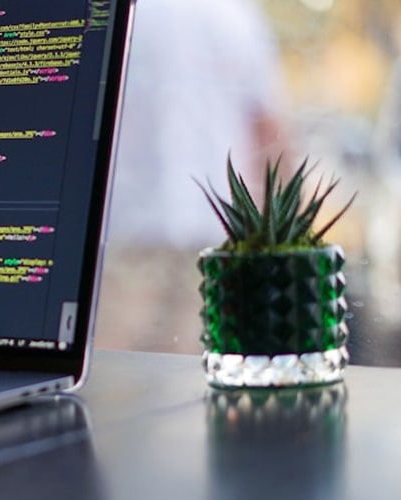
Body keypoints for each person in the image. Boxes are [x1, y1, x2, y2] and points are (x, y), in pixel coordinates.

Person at [96, 0, 289, 352]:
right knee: (194, 385)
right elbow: (270, 136)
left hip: (124, 235)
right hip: (210, 238)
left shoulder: (112, 13)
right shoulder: (237, 17)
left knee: (113, 380)